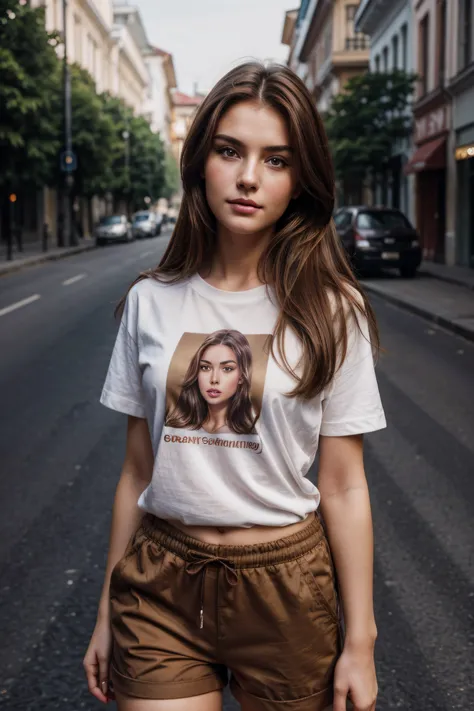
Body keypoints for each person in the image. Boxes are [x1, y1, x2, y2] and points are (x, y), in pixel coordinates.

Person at [84, 61, 386, 711]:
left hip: (286, 586)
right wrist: (107, 609)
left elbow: (343, 484)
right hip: (162, 582)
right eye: (230, 151)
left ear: (299, 179)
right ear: (201, 162)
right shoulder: (150, 301)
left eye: (276, 160)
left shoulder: (333, 309)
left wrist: (359, 638)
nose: (249, 176)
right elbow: (136, 473)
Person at [165, 328, 258, 435]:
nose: (214, 379)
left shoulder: (252, 432)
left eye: (227, 369)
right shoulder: (176, 425)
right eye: (205, 367)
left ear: (241, 376)